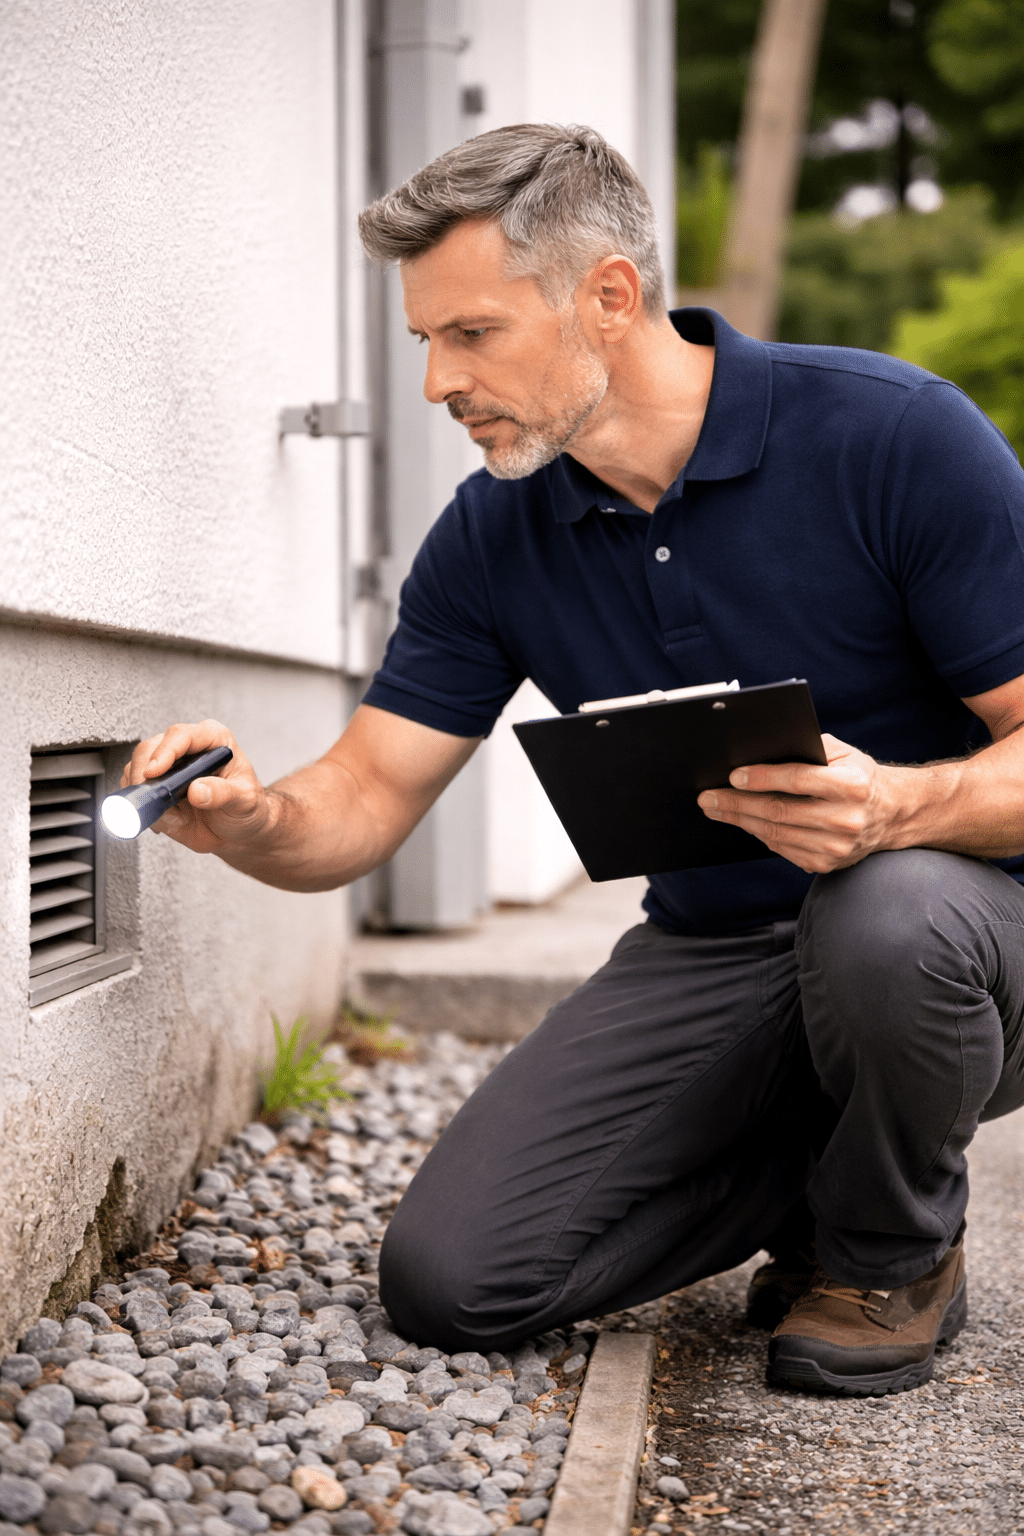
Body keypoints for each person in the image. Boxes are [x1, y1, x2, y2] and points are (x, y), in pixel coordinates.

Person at [123, 124, 1024, 1398]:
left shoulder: (892, 437)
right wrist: (252, 814)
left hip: (965, 933)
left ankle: (888, 1254)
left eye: (472, 334)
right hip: (720, 950)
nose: (437, 382)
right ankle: (829, 1188)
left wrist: (896, 805)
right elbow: (369, 791)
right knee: (455, 1279)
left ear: (608, 296)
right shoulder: (494, 530)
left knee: (888, 913)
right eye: (423, 340)